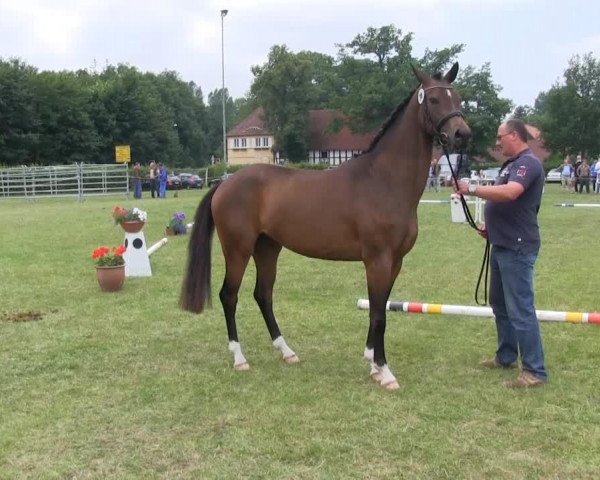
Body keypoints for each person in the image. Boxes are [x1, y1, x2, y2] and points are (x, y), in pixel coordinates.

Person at [455, 118, 547, 388]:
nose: (497, 142)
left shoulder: (528, 164)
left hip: (517, 247)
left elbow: (510, 194)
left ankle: (534, 371)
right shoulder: (511, 165)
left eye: (501, 136)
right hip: (502, 243)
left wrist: (470, 188)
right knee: (501, 306)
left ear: (515, 136)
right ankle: (506, 356)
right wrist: (490, 226)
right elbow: (503, 199)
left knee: (520, 310)